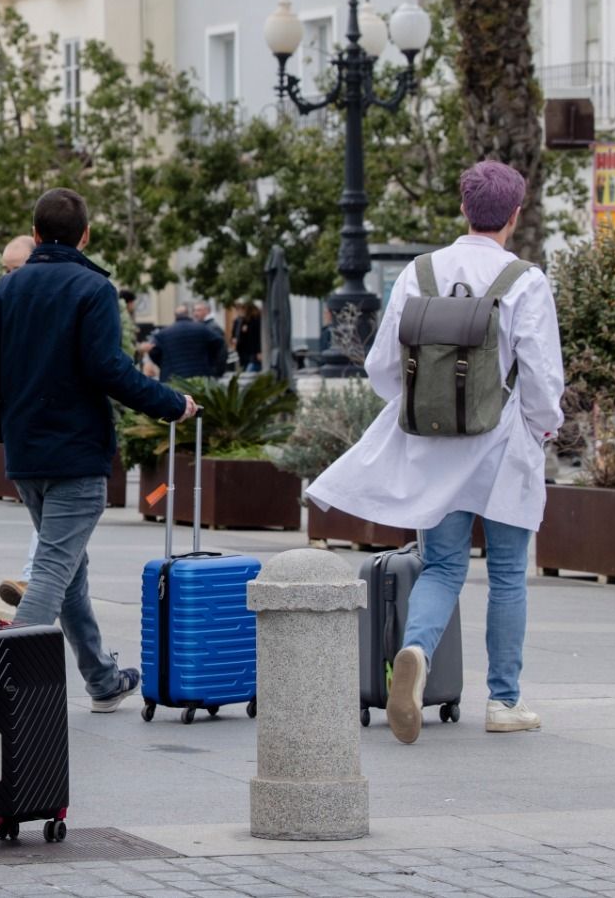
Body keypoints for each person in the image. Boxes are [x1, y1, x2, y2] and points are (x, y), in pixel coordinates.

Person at [307, 161, 564, 746]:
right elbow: (544, 379)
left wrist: (425, 407)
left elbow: (380, 369)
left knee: (444, 567)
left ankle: (415, 654)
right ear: (515, 215)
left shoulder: (418, 274)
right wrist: (544, 429)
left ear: (463, 208)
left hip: (435, 448)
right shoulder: (524, 279)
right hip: (503, 447)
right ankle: (503, 700)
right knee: (506, 576)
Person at [0, 188, 196, 716]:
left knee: (69, 564)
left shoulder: (3, 293)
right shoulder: (93, 288)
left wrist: (4, 424)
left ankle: (101, 678)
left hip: (25, 457)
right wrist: (170, 404)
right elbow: (108, 369)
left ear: (37, 234)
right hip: (76, 454)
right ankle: (3, 689)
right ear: (85, 235)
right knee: (54, 567)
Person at [0, 233, 43, 609]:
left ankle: (32, 579)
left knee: (59, 535)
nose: (9, 276)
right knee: (62, 543)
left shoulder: (54, 299)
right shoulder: (3, 302)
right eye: (5, 270)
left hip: (58, 434)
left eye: (16, 269)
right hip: (28, 432)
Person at [149, 304, 227, 381]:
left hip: (172, 378)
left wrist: (164, 364)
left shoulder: (162, 334)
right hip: (199, 377)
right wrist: (212, 363)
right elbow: (220, 343)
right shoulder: (203, 329)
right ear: (188, 314)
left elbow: (153, 351)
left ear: (175, 316)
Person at [232, 303, 263, 373]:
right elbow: (236, 334)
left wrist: (259, 351)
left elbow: (258, 336)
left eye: (241, 309)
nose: (238, 311)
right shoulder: (241, 320)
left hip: (253, 353)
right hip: (244, 352)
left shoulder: (256, 319)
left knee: (250, 370)